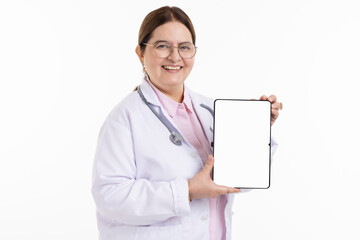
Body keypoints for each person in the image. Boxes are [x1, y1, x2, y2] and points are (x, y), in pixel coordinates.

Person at [92, 6, 281, 240]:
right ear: (140, 53)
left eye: (184, 47)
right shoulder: (124, 118)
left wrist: (255, 131)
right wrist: (187, 191)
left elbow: (237, 182)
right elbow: (110, 197)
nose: (175, 56)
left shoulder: (211, 110)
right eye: (162, 46)